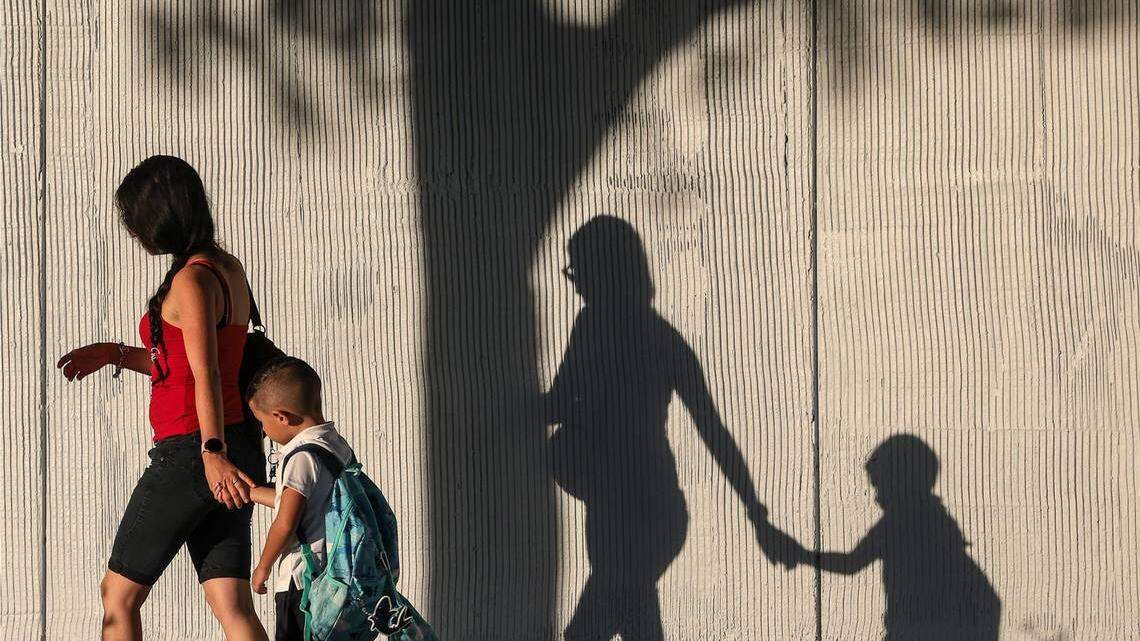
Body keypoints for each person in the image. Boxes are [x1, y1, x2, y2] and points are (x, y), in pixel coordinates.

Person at [56, 155, 269, 640]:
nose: (133, 231)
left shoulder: (192, 280)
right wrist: (115, 353)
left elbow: (208, 373)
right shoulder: (226, 268)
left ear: (162, 216)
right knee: (230, 604)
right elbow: (185, 362)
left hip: (194, 452)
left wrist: (210, 453)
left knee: (117, 596)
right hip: (235, 446)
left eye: (136, 219)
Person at [784, 435, 1001, 640]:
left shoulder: (899, 522)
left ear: (902, 481)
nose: (877, 496)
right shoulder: (937, 522)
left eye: (880, 486)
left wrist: (800, 555)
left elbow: (851, 563)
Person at [243, 357, 356, 641]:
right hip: (336, 578)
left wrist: (262, 567)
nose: (265, 432)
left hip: (302, 579)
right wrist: (251, 492)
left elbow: (286, 522)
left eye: (263, 423)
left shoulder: (301, 456)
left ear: (282, 416)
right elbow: (304, 502)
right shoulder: (335, 446)